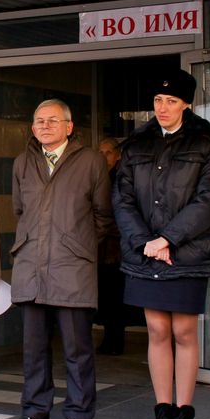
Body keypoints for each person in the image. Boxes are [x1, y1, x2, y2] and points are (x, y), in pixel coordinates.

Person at [114, 72, 210, 419]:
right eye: (159, 102)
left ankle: (183, 413)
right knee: (157, 331)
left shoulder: (207, 141)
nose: (163, 108)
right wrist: (146, 241)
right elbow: (123, 198)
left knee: (183, 332)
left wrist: (168, 239)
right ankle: (162, 411)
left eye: (172, 102)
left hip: (185, 253)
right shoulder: (136, 144)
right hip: (146, 252)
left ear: (186, 104)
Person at [7, 99, 113, 419]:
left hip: (72, 266)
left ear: (69, 126)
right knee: (34, 347)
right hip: (32, 263)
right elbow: (19, 209)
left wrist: (75, 243)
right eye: (39, 121)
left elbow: (103, 215)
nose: (45, 126)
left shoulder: (91, 161)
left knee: (77, 347)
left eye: (53, 120)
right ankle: (35, 410)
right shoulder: (23, 162)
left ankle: (79, 415)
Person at [96, 136, 128, 355]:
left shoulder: (121, 179)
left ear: (117, 156)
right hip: (102, 248)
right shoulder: (100, 177)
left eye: (108, 153)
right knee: (106, 296)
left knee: (116, 296)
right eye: (100, 153)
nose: (103, 157)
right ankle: (109, 338)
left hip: (117, 249)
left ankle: (116, 340)